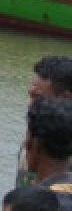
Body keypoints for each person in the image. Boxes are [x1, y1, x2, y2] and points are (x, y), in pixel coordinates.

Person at [17, 56, 72, 188]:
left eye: (37, 98)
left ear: (66, 98)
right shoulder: (35, 134)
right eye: (30, 95)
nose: (30, 105)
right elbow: (23, 189)